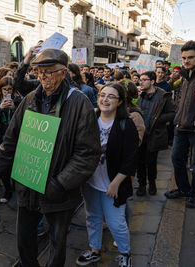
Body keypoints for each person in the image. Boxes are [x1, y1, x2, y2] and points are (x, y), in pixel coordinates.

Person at [0, 48, 101, 267]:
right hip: (28, 184)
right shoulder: (29, 99)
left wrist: (60, 183)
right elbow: (11, 139)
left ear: (64, 72)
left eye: (49, 71)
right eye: (39, 71)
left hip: (57, 192)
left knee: (56, 246)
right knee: (24, 241)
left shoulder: (79, 103)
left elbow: (88, 154)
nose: (42, 76)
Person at [76, 83, 138, 267]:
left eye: (111, 96)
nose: (106, 99)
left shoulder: (126, 124)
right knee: (92, 217)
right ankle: (94, 250)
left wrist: (116, 183)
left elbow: (131, 159)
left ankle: (125, 254)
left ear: (119, 102)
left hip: (113, 185)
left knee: (116, 222)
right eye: (103, 95)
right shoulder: (90, 119)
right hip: (90, 182)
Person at [165, 40, 195, 208]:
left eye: (191, 57)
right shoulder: (185, 74)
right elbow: (182, 100)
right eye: (184, 58)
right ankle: (184, 189)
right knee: (177, 158)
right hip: (182, 126)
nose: (186, 61)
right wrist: (178, 117)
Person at [136, 71, 176, 196]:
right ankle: (142, 185)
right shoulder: (140, 96)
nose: (140, 82)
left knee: (151, 162)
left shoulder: (163, 96)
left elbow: (173, 113)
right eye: (140, 80)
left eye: (144, 80)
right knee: (139, 162)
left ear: (152, 81)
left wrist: (158, 119)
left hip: (154, 134)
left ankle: (152, 183)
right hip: (141, 135)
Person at [0, 76, 22, 203]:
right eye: (5, 89)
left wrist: (14, 109)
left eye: (9, 89)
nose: (7, 92)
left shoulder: (19, 101)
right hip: (0, 139)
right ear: (0, 89)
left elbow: (24, 120)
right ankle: (7, 190)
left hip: (15, 138)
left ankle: (17, 188)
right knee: (4, 167)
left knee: (15, 165)